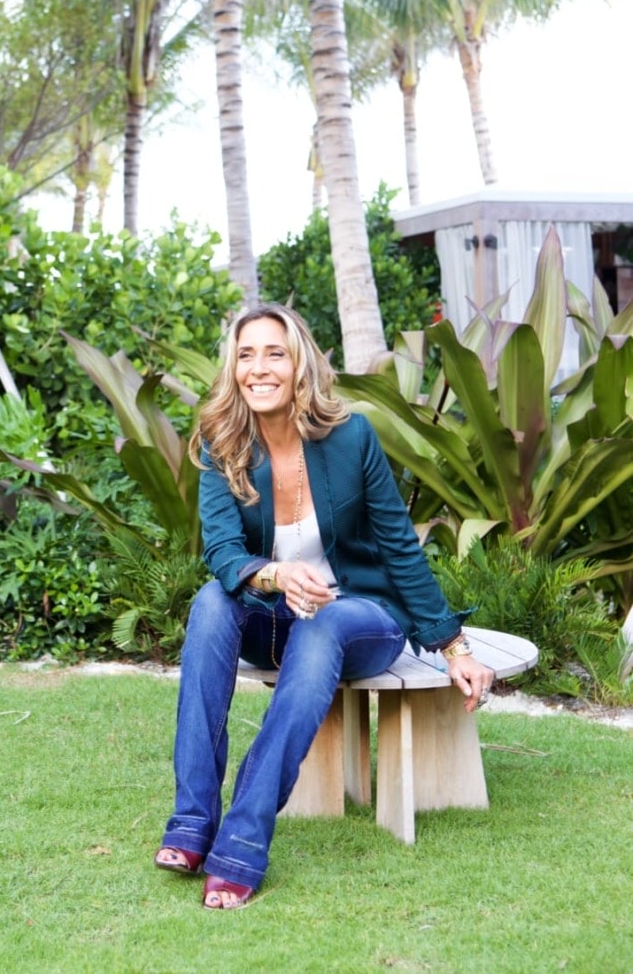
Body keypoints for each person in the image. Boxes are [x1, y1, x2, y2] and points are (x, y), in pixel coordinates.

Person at [153, 302, 494, 910]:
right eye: (246, 354)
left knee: (326, 622)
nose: (258, 367)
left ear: (299, 364)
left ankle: (242, 843)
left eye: (274, 353)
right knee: (211, 602)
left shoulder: (351, 437)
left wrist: (452, 645)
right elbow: (226, 556)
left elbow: (398, 547)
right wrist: (277, 574)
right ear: (233, 368)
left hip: (358, 617)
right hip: (274, 616)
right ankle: (192, 821)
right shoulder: (220, 441)